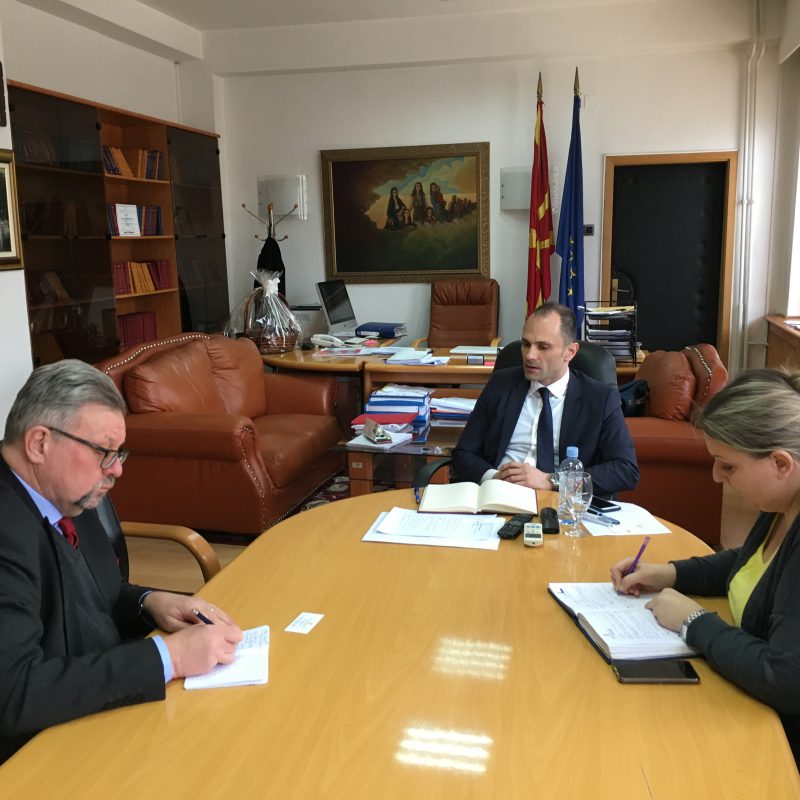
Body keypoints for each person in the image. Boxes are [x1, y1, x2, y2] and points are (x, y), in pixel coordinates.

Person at [0, 360, 243, 763]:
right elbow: (14, 693)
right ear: (39, 443)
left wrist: (150, 601)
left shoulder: (67, 494)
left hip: (99, 712)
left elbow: (97, 596)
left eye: (118, 453)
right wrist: (170, 657)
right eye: (104, 452)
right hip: (39, 757)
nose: (116, 470)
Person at [611, 368, 800, 767]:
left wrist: (694, 621)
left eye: (727, 466)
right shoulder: (783, 504)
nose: (716, 477)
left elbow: (784, 678)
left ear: (781, 463)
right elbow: (753, 563)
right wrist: (671, 573)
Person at [452, 302, 638, 496]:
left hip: (560, 502)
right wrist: (494, 477)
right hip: (498, 496)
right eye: (526, 344)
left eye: (543, 347)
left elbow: (625, 470)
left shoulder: (600, 398)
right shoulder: (501, 384)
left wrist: (552, 480)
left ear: (570, 352)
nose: (530, 355)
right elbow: (463, 454)